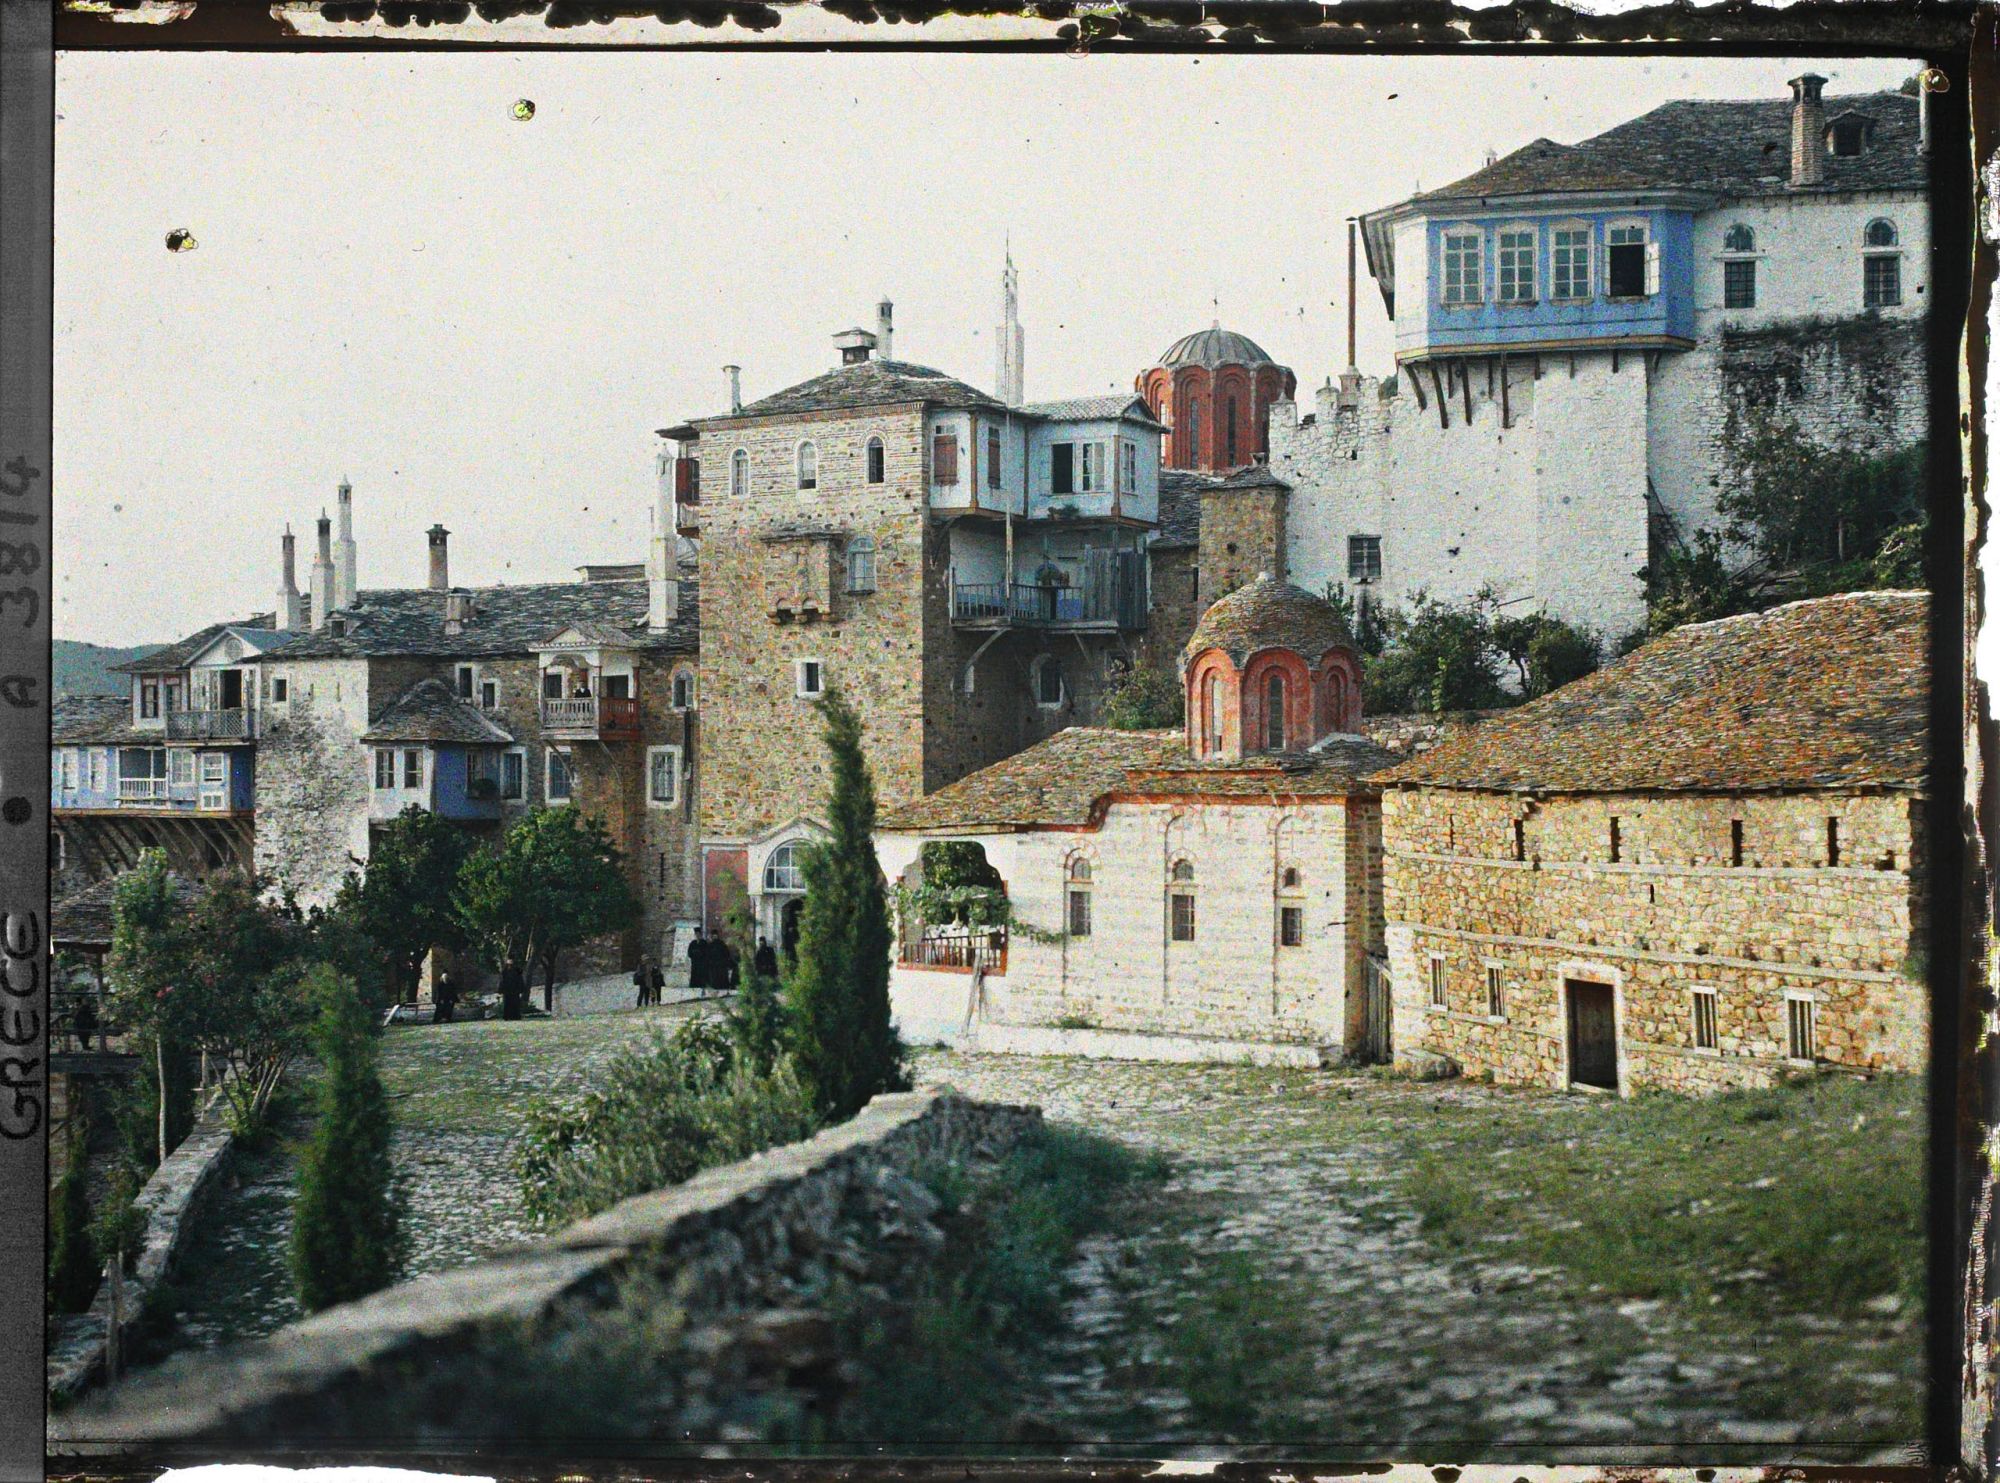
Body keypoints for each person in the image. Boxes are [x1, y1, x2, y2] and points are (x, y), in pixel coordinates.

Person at [687, 927, 710, 998]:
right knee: (694, 978)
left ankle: (702, 992)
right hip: (695, 964)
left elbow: (706, 953)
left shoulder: (704, 943)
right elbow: (689, 953)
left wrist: (699, 953)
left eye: (698, 934)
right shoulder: (692, 943)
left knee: (702, 978)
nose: (697, 935)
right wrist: (694, 953)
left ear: (700, 934)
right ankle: (693, 993)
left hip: (702, 964)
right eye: (696, 934)